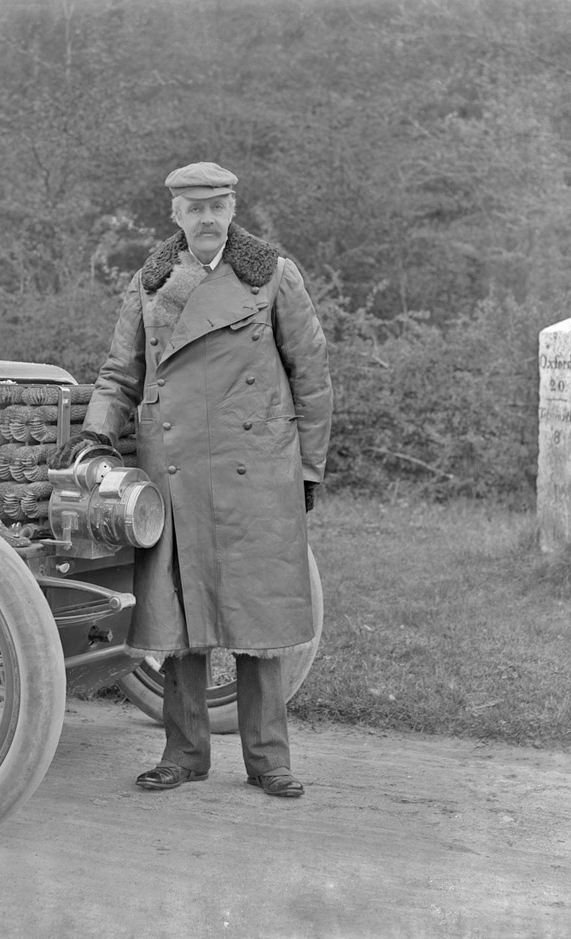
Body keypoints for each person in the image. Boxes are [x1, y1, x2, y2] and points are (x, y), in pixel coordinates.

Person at [49, 162, 333, 797]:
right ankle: (183, 754)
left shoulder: (273, 275)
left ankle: (270, 761)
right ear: (175, 215)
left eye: (219, 206)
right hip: (172, 469)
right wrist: (96, 435)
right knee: (176, 617)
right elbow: (120, 373)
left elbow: (311, 374)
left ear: (234, 210)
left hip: (255, 468)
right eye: (195, 208)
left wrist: (308, 468)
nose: (208, 218)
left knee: (257, 620)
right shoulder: (150, 283)